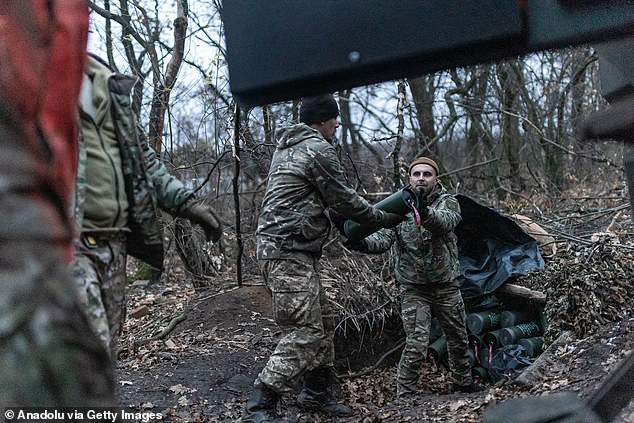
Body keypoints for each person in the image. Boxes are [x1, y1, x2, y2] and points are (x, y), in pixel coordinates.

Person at [242, 94, 404, 422]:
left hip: (293, 250)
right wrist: (385, 217)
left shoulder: (289, 149)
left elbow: (320, 200)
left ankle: (316, 393)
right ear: (322, 120)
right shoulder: (317, 149)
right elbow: (345, 199)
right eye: (334, 120)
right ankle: (260, 404)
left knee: (325, 322)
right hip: (287, 252)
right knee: (306, 331)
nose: (337, 126)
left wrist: (344, 223)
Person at [0, 0, 115, 406]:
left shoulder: (108, 91)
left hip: (81, 231)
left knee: (102, 342)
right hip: (35, 229)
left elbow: (139, 164)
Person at [74, 55, 222, 358]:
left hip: (115, 243)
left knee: (107, 354)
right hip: (66, 244)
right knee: (89, 352)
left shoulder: (106, 82)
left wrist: (184, 202)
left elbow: (142, 158)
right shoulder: (25, 75)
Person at [349, 157, 483, 397]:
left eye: (427, 174)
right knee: (416, 344)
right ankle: (406, 392)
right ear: (409, 178)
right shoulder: (398, 207)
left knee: (458, 338)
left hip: (446, 286)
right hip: (414, 289)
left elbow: (445, 223)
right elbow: (383, 240)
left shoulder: (448, 202)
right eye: (417, 174)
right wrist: (361, 243)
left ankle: (462, 383)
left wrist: (424, 211)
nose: (421, 178)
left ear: (436, 179)